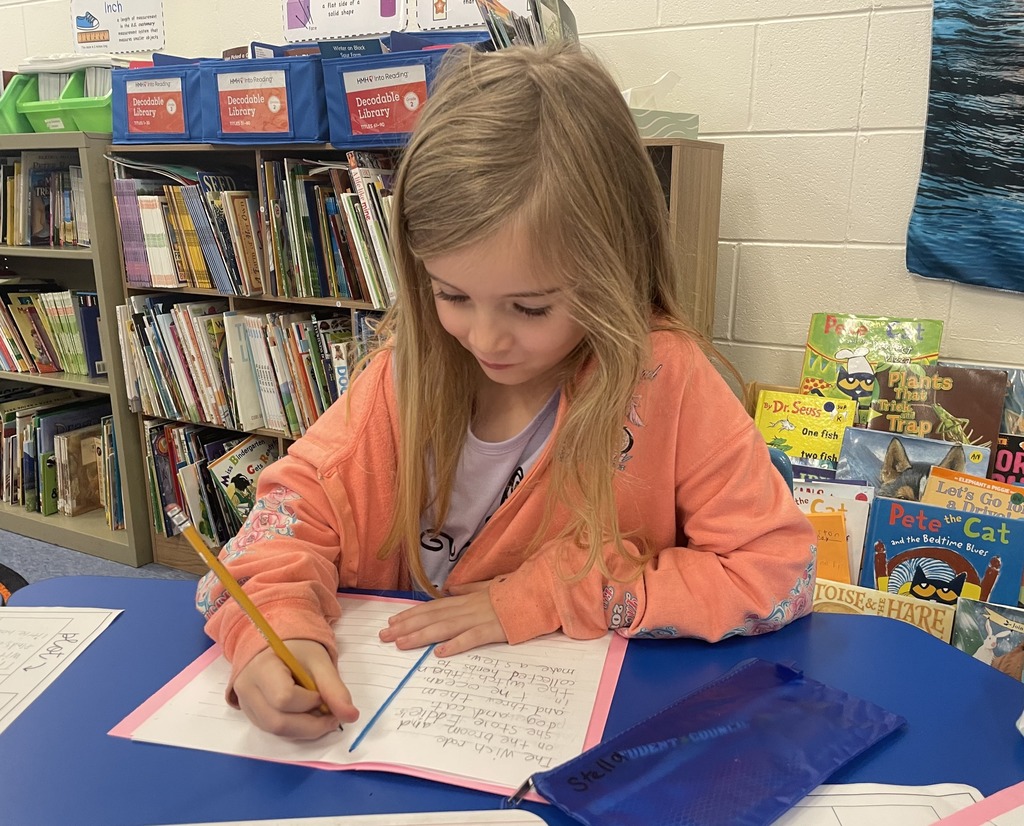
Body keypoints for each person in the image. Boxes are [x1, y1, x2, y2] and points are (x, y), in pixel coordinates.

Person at [196, 41, 816, 740]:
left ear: (613, 268)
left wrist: (551, 595)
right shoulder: (408, 369)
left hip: (587, 735)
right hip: (402, 726)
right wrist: (278, 632)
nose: (486, 340)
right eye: (452, 294)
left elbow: (779, 576)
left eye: (530, 309)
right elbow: (284, 522)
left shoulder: (664, 380)